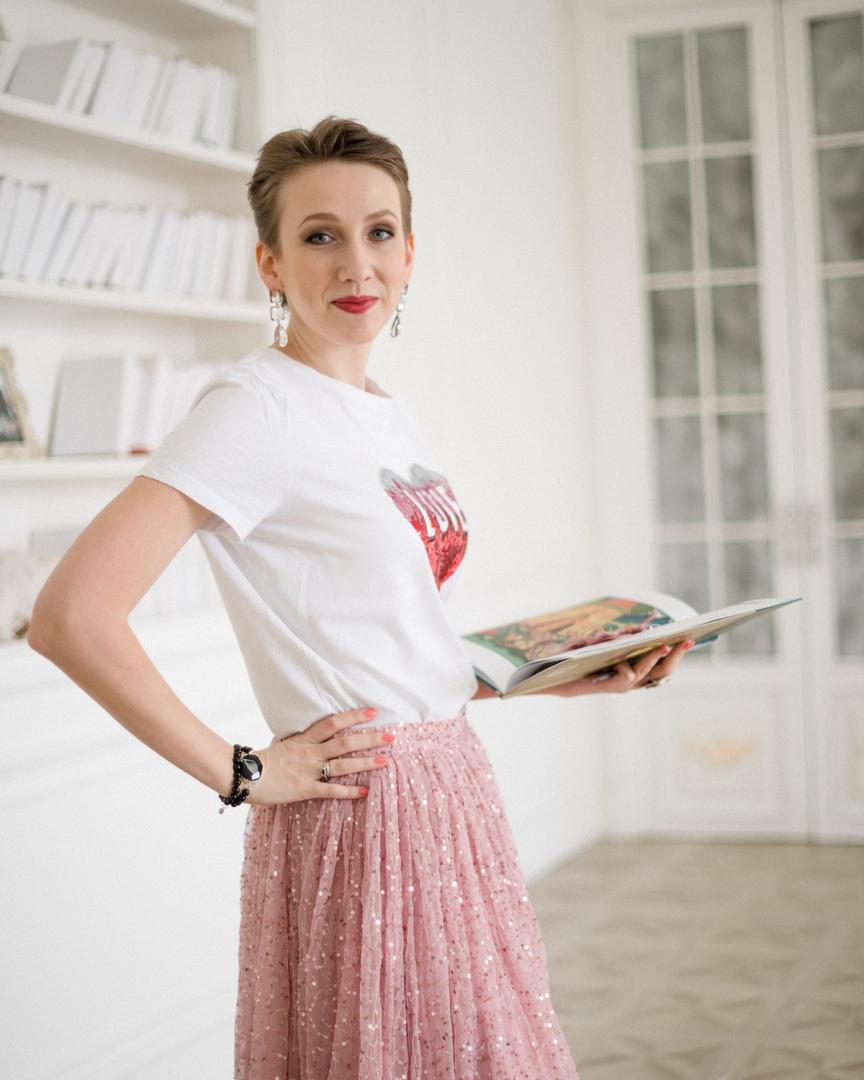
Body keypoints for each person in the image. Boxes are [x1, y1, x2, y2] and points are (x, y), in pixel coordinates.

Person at [27, 115, 693, 1080]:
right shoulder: (253, 410)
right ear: (270, 262)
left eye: (379, 232)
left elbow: (383, 634)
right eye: (320, 235)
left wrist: (550, 672)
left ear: (410, 252)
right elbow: (71, 615)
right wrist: (241, 771)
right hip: (365, 812)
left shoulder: (381, 410)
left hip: (449, 787)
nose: (357, 263)